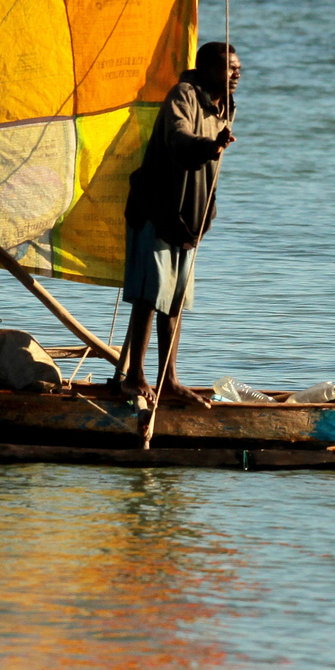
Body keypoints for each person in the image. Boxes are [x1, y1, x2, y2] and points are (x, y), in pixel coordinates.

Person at [115, 42, 241, 403]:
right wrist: (210, 145)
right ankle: (133, 377)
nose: (236, 74)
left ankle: (168, 381)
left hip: (188, 220)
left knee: (175, 301)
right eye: (229, 67)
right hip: (156, 210)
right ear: (204, 69)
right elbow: (178, 139)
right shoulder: (184, 94)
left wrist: (207, 215)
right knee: (149, 295)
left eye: (238, 69)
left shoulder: (225, 108)